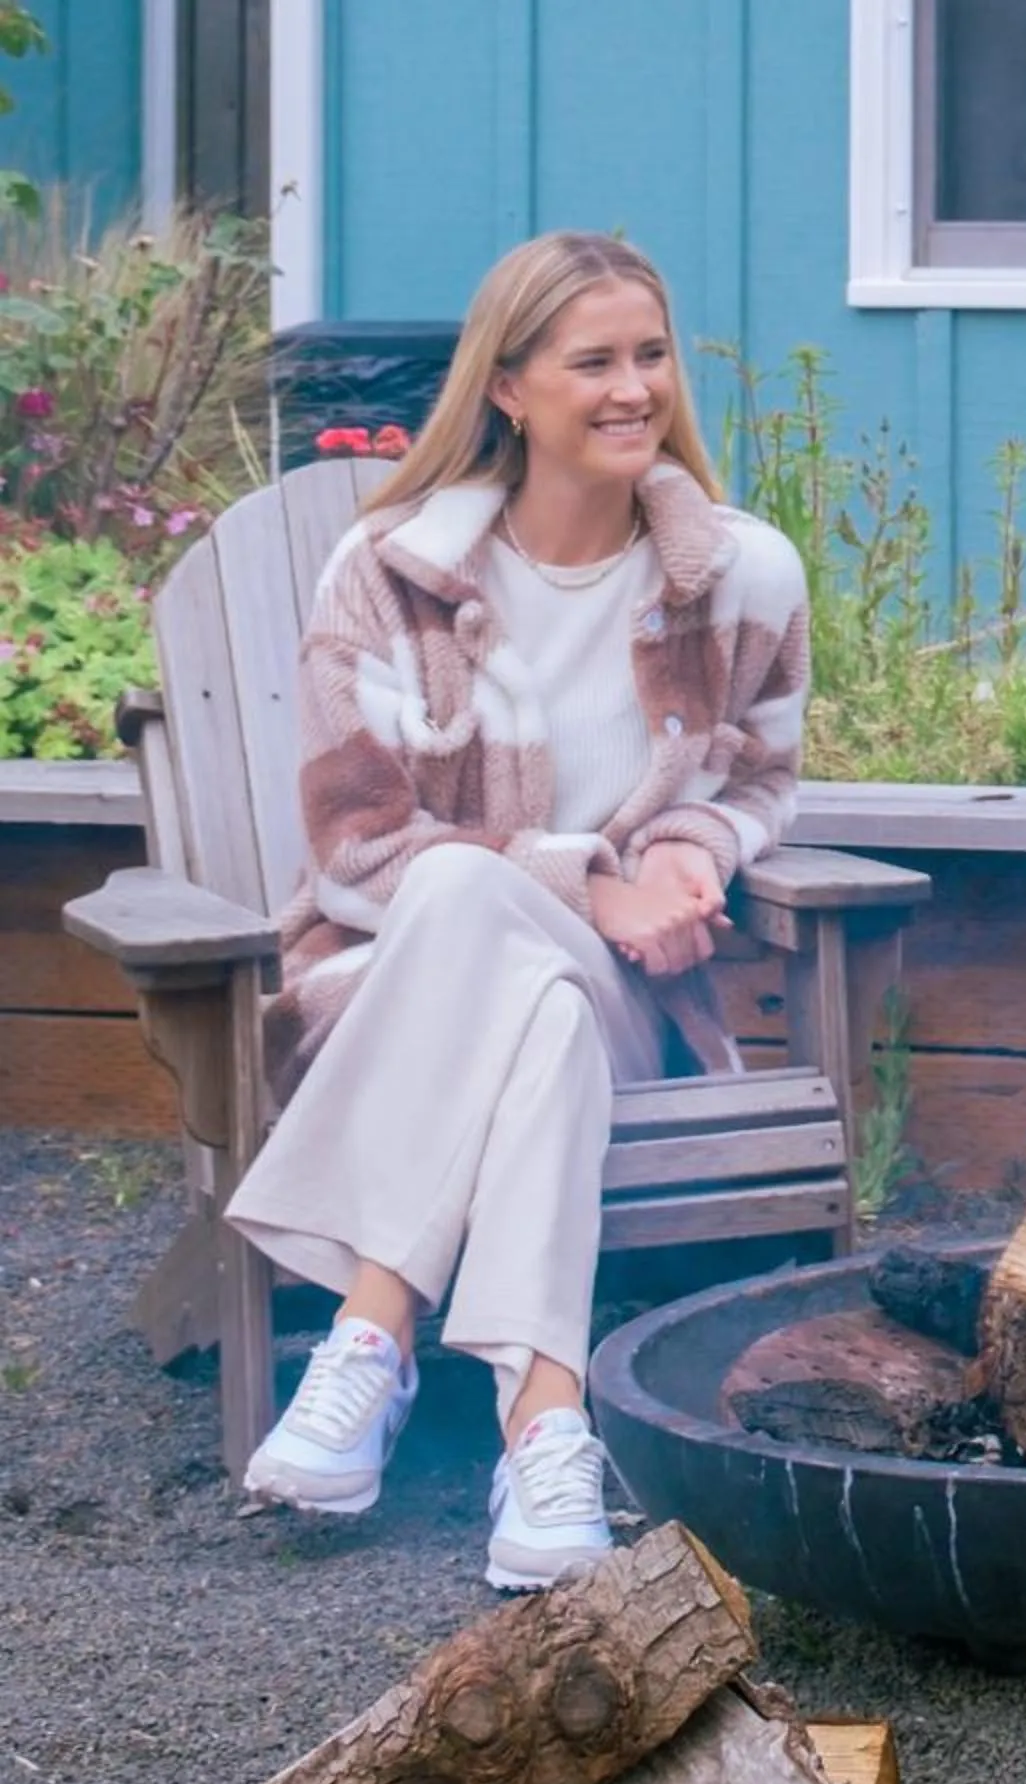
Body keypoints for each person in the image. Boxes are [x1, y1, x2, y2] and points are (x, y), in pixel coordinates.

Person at [224, 232, 811, 1591]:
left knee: (530, 962)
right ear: (508, 387)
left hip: (636, 1004)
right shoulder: (390, 576)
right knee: (481, 937)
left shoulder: (738, 576)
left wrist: (690, 853)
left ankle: (369, 1335)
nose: (633, 390)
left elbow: (764, 779)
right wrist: (594, 882)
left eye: (650, 356)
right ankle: (544, 1426)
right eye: (593, 362)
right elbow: (357, 846)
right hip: (389, 997)